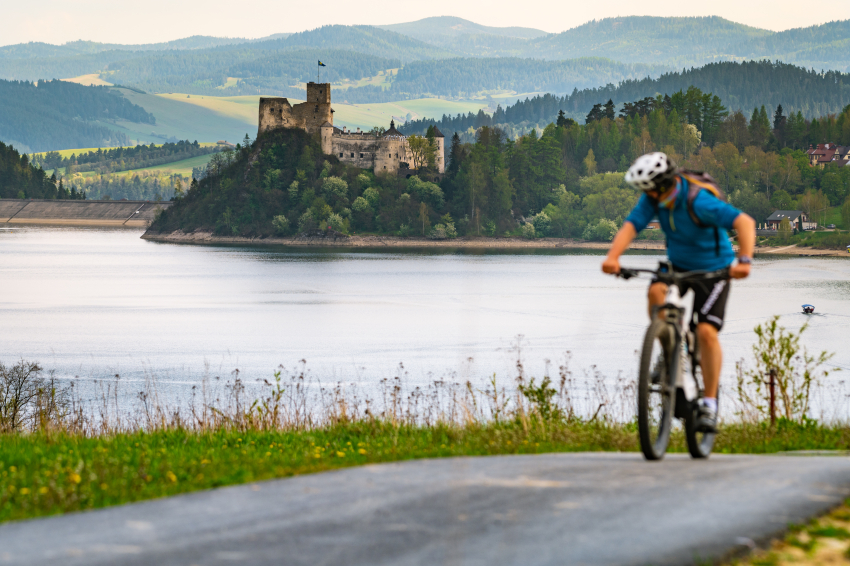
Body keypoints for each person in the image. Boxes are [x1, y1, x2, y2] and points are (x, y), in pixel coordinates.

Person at [601, 152, 756, 432]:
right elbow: (631, 225)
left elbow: (744, 222)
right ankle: (669, 347)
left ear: (661, 186)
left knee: (707, 333)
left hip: (715, 270)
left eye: (648, 189)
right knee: (656, 292)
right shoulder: (653, 200)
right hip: (679, 266)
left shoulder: (698, 200)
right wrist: (612, 257)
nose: (645, 195)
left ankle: (709, 405)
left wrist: (744, 261)